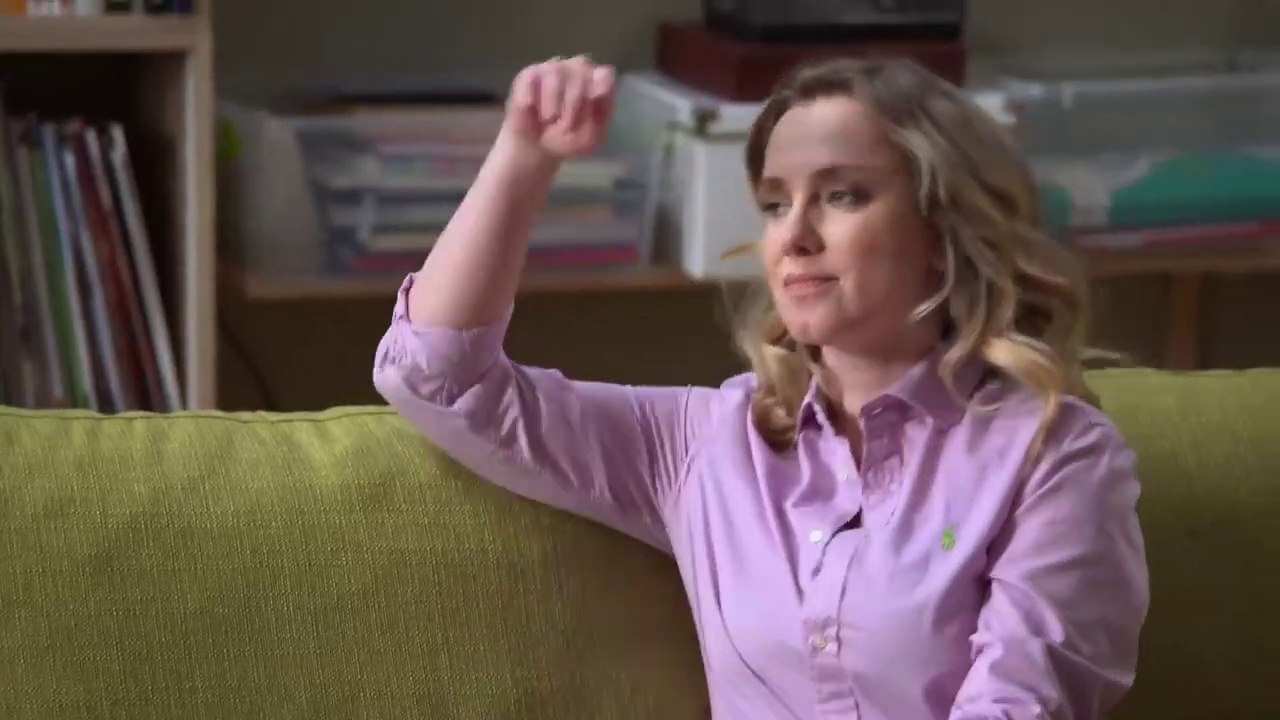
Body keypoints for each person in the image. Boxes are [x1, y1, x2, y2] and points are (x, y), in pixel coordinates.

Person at [372, 54, 1149, 720]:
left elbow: (1019, 703)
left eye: (842, 195)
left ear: (943, 233)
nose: (795, 234)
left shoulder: (1053, 454)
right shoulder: (706, 443)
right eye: (776, 203)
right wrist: (523, 157)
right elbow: (436, 378)